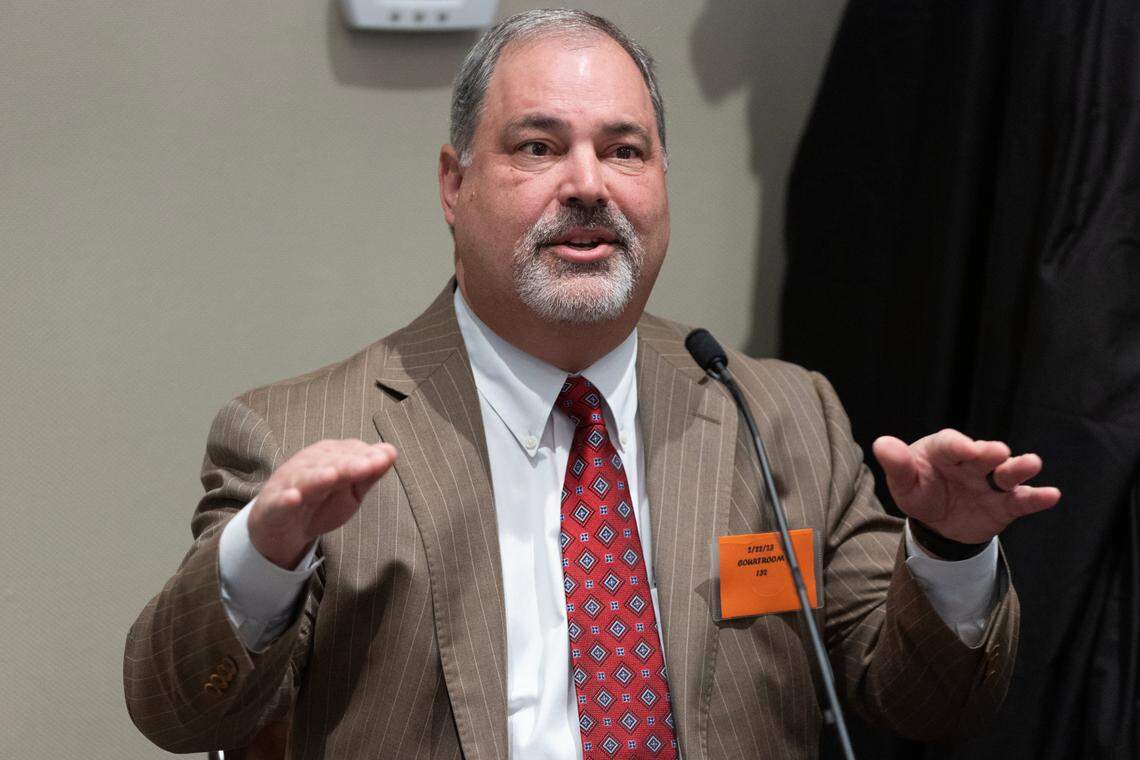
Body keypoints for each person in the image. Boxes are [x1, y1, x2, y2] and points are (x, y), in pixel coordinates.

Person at [123, 10, 1060, 759]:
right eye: (538, 147)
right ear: (455, 184)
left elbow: (928, 702)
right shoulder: (300, 433)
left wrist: (945, 551)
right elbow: (178, 713)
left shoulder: (783, 415)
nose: (588, 184)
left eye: (624, 150)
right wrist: (265, 557)